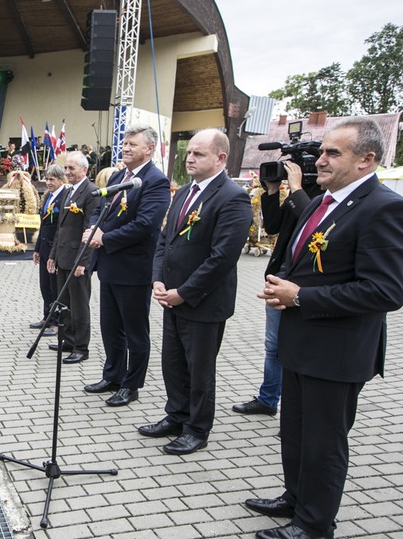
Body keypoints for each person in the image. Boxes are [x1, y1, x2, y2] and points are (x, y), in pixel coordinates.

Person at [251, 117, 403, 539]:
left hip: (336, 351)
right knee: (296, 432)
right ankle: (296, 499)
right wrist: (282, 286)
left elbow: (386, 290)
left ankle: (315, 526)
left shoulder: (385, 207)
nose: (319, 160)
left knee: (324, 442)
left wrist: (300, 296)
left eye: (331, 153)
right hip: (302, 343)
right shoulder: (325, 202)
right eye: (322, 151)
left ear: (367, 160)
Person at [141, 129, 252, 455]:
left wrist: (184, 293)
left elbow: (222, 258)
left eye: (198, 154)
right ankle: (176, 415)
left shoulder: (232, 197)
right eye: (188, 152)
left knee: (199, 370)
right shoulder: (185, 191)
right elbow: (165, 240)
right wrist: (158, 279)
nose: (189, 158)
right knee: (173, 363)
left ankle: (197, 428)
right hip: (171, 296)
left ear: (220, 158)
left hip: (202, 302)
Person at [83, 125, 169, 406]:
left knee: (135, 331)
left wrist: (105, 237)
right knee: (110, 326)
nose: (126, 147)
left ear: (149, 149)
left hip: (133, 269)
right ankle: (113, 375)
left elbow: (145, 225)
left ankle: (131, 385)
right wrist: (93, 228)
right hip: (109, 265)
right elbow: (100, 207)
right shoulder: (120, 175)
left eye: (133, 143)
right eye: (125, 143)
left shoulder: (155, 181)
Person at [233, 162, 311, 417]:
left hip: (304, 286)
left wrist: (298, 189)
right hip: (280, 276)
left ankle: (294, 411)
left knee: (296, 349)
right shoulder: (294, 196)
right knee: (273, 345)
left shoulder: (321, 198)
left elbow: (312, 226)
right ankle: (268, 399)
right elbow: (273, 226)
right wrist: (273, 190)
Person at [46, 151, 99, 364]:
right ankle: (67, 340)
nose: (67, 172)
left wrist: (83, 262)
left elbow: (90, 230)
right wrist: (53, 255)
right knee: (64, 303)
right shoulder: (69, 192)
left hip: (78, 260)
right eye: (66, 168)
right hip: (63, 258)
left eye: (71, 169)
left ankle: (81, 347)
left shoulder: (91, 193)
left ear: (84, 170)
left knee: (79, 306)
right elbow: (61, 228)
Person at [30, 164, 67, 334]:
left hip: (56, 249)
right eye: (47, 179)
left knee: (54, 287)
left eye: (52, 179)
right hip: (44, 247)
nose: (48, 182)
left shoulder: (65, 197)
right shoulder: (48, 197)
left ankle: (56, 323)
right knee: (45, 286)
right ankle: (47, 317)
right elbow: (43, 225)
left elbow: (61, 227)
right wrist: (37, 249)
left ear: (61, 180)